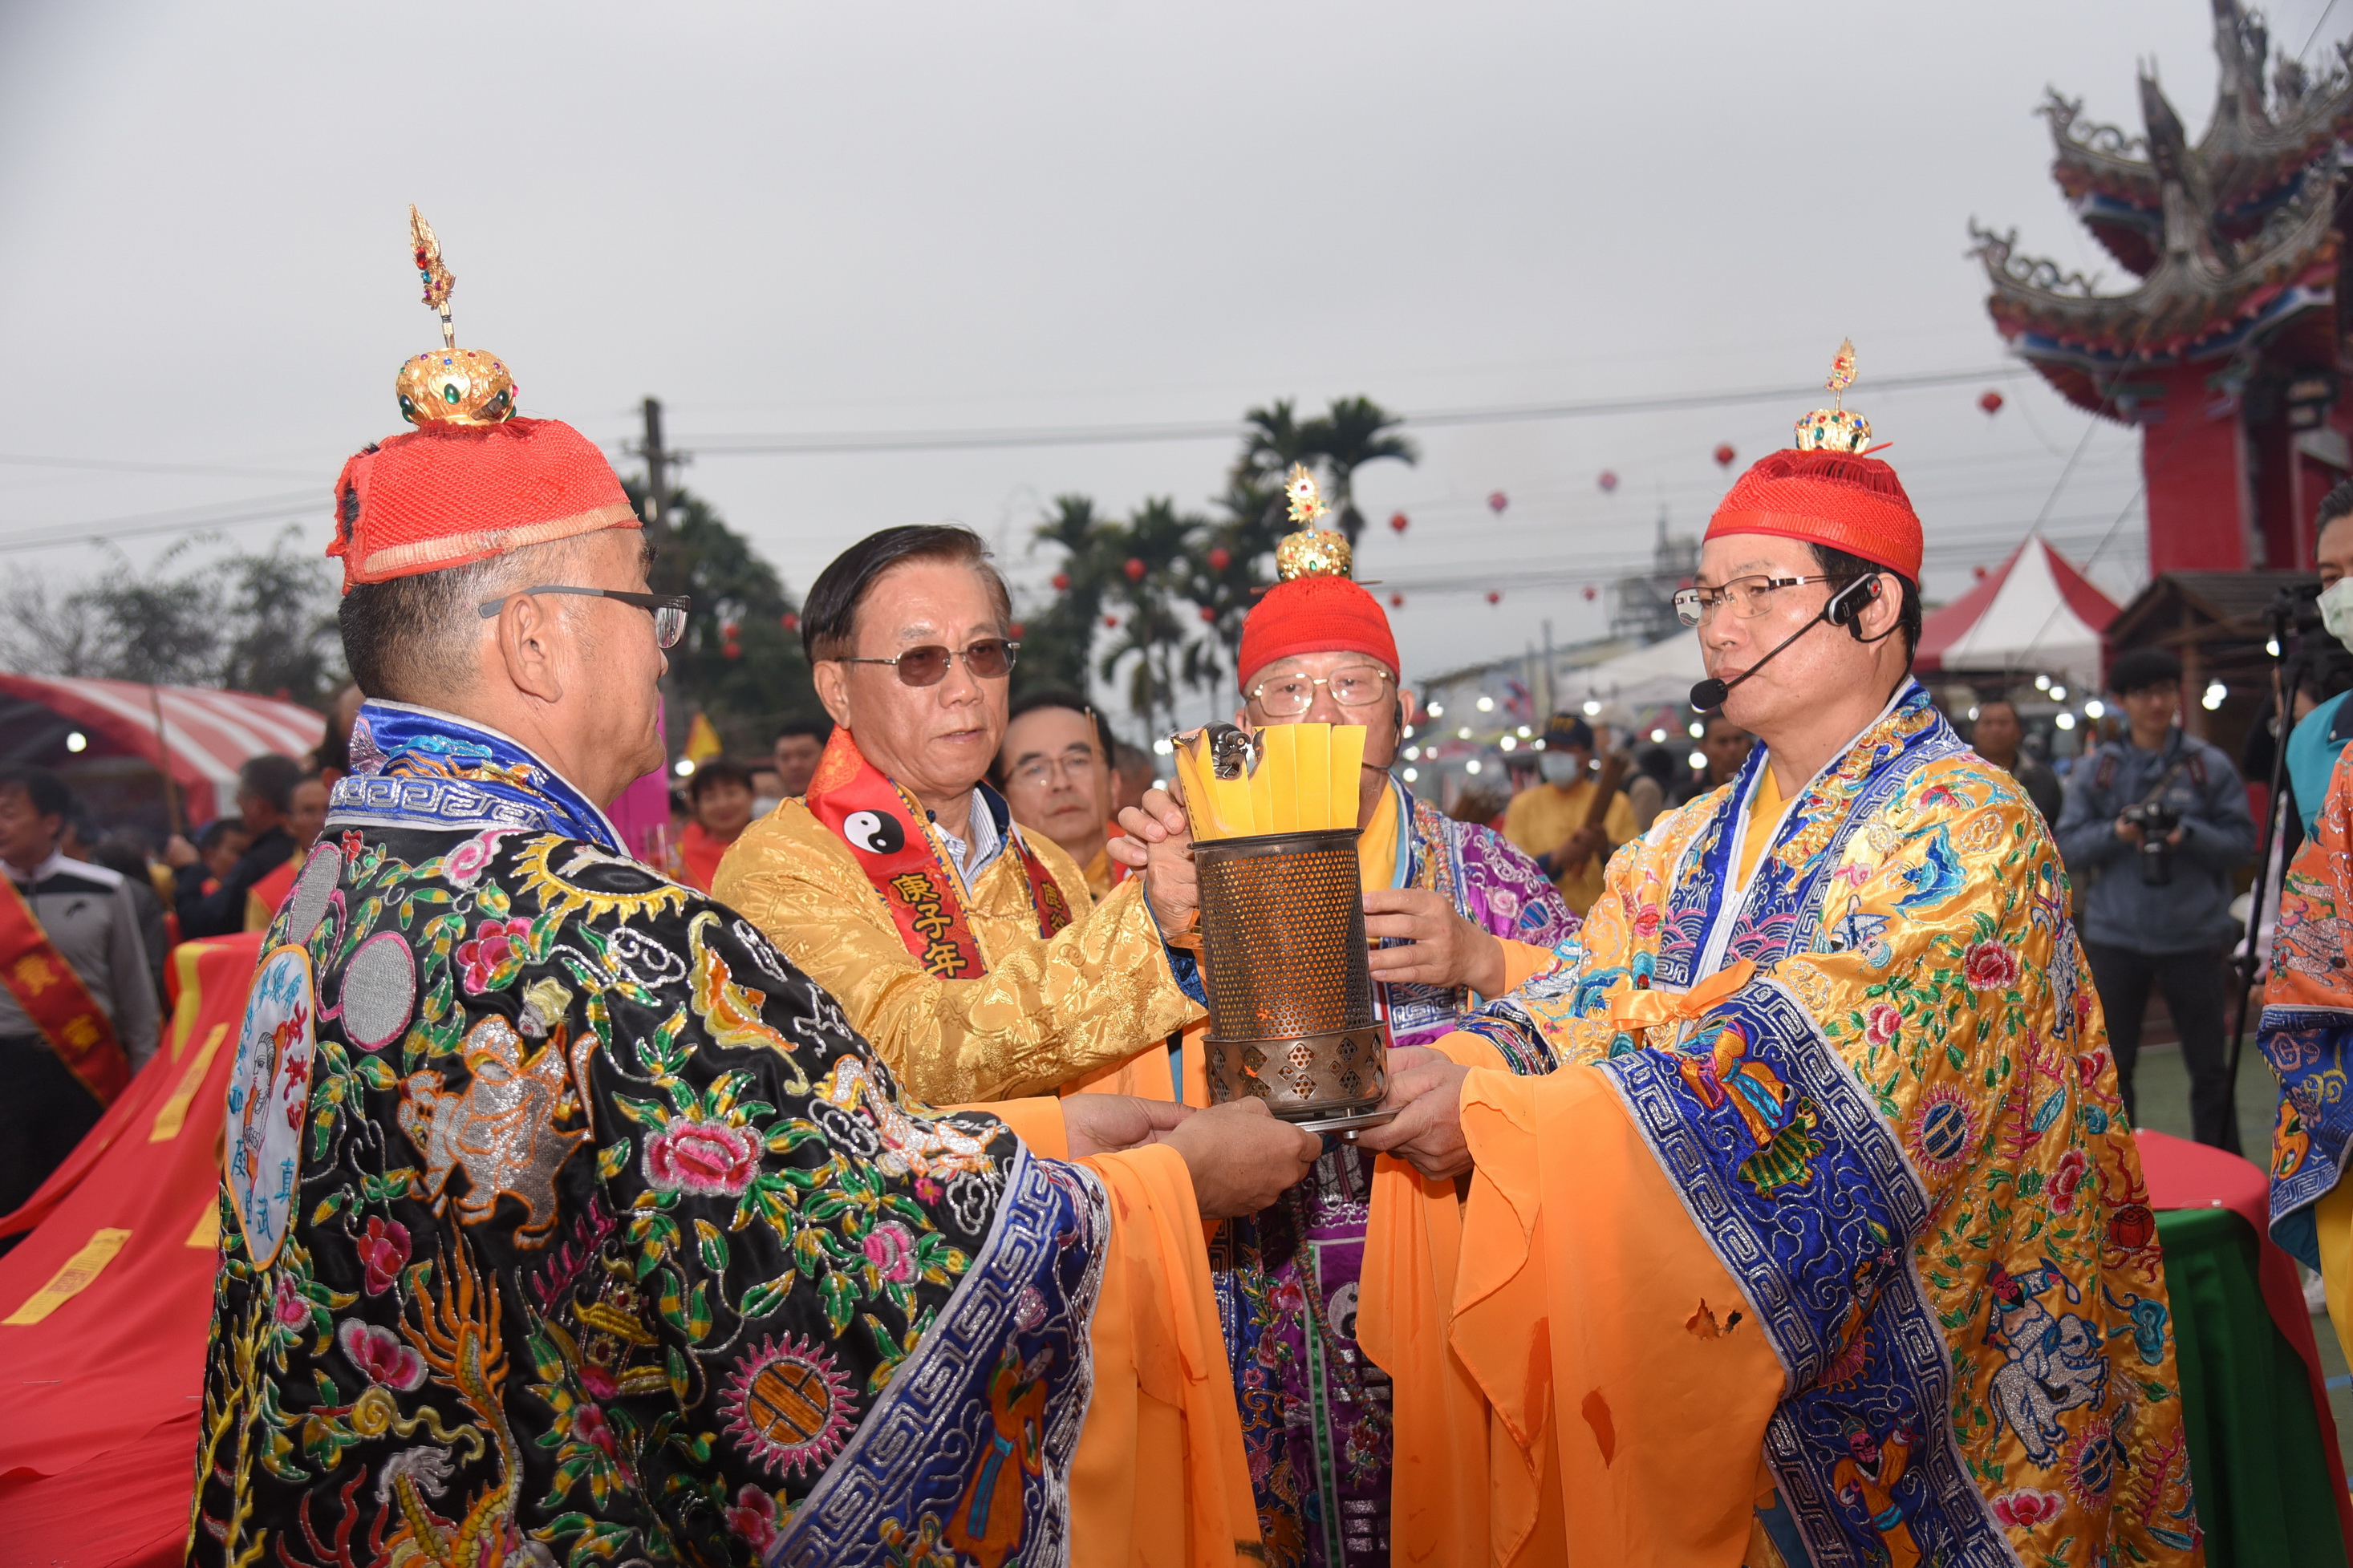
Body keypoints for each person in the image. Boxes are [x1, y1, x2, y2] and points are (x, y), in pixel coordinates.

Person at [190, 282, 1316, 1566]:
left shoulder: (330, 896)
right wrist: (1169, 1183)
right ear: (539, 643)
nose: (666, 653)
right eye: (643, 608)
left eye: (988, 652)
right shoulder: (614, 936)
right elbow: (860, 1262)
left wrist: (1067, 1125)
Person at [1349, 365, 2192, 1566]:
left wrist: (1510, 1116)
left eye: (1759, 589)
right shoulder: (1684, 838)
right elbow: (1583, 982)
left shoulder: (1970, 826)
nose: (1718, 624)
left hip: (1944, 1386)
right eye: (1709, 593)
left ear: (1870, 607)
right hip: (1711, 1364)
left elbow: (1823, 1059)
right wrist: (1480, 1053)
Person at [1110, 475, 1578, 1566]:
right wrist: (1162, 925)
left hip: (1456, 1298)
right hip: (1255, 1296)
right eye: (1289, 690)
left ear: (1402, 711)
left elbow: (1611, 1025)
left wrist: (1484, 958)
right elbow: (1103, 1057)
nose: (1323, 716)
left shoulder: (1486, 873)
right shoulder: (1177, 871)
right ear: (1246, 721)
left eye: (1354, 684)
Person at [715, 525, 1202, 1104]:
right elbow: (893, 1054)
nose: (965, 689)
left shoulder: (1046, 864)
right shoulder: (779, 865)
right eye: (921, 660)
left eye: (983, 652)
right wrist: (1149, 924)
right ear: (836, 689)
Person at [2055, 646, 2256, 1150]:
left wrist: (2188, 833)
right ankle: (2125, 1179)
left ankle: (2221, 1172)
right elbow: (2067, 845)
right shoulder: (2098, 769)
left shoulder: (2206, 766)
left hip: (2194, 936)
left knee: (2211, 1068)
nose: (2157, 702)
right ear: (2121, 701)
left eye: (2165, 690)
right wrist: (2118, 833)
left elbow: (2240, 844)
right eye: (2144, 693)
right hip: (2117, 936)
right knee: (2114, 1069)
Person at [0, 763, 159, 1226]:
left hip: (88, 1068)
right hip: (7, 1072)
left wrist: (147, 1075)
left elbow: (135, 991)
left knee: (88, 1201)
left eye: (10, 813)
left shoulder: (106, 890)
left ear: (51, 822)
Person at [1500, 712, 1635, 917]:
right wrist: (1556, 858)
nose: (1554, 755)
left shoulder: (1616, 803)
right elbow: (1509, 871)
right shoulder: (1523, 805)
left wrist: (1605, 850)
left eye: (1564, 749)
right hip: (1541, 922)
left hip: (1605, 922)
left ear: (1587, 755)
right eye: (1549, 749)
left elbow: (1639, 870)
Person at [994, 687, 1125, 897]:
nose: (1061, 783)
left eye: (1077, 761)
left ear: (1114, 784)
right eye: (1035, 769)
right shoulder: (988, 898)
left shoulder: (1162, 874)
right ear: (1002, 801)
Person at [171, 752, 303, 938]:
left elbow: (201, 925)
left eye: (240, 796)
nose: (236, 802)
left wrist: (188, 869)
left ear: (257, 806)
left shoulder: (257, 865)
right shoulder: (328, 851)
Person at [241, 772, 331, 930]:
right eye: (308, 811)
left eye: (328, 809)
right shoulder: (265, 895)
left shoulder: (369, 873)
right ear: (289, 824)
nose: (320, 820)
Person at [1970, 695, 2063, 822]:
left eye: (2003, 723)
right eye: (1987, 723)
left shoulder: (2043, 778)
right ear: (1974, 733)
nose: (1995, 729)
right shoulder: (1957, 777)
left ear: (2019, 731)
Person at [679, 756, 757, 891]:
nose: (722, 804)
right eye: (710, 797)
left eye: (731, 793)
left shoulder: (775, 845)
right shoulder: (681, 858)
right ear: (697, 806)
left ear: (752, 794)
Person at [1668, 710, 1755, 805]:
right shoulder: (1685, 799)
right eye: (1722, 742)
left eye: (1738, 740)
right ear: (1703, 747)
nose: (1732, 749)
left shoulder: (1765, 789)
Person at [771, 713, 833, 799]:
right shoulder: (777, 812)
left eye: (805, 754)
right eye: (784, 757)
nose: (794, 765)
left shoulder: (852, 809)